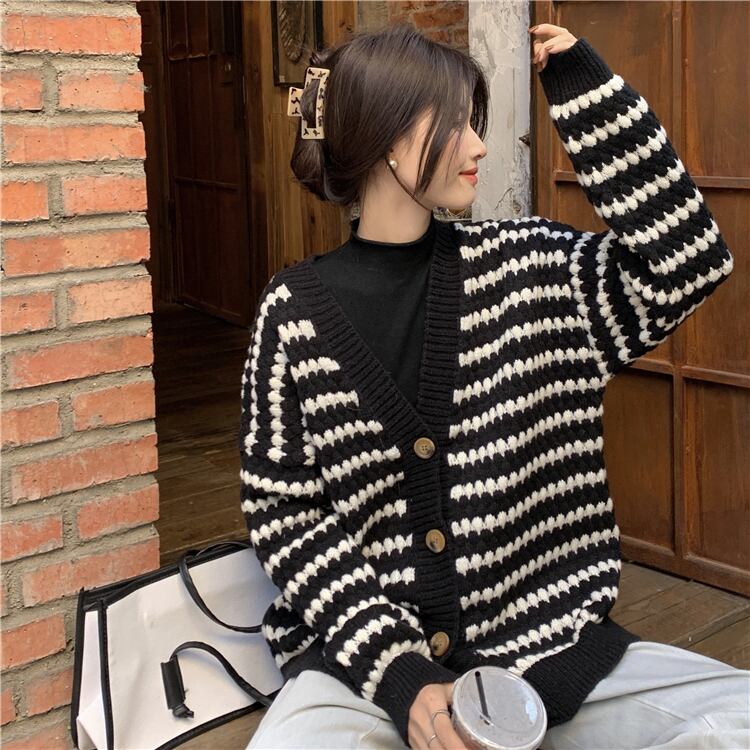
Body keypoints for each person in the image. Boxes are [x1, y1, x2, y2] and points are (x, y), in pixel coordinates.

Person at [239, 21, 749, 750]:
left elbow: (688, 262)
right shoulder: (292, 315)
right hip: (370, 675)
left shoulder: (532, 272)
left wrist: (587, 96)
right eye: (455, 124)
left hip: (549, 651)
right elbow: (287, 517)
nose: (479, 145)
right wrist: (404, 677)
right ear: (386, 138)